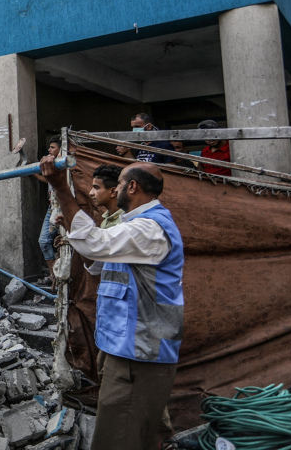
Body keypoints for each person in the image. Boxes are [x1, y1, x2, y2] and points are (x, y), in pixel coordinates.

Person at [41, 157, 184, 450]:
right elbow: (95, 261)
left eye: (117, 184)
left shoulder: (148, 228)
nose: (113, 190)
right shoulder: (133, 226)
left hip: (138, 355)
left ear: (131, 187)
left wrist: (60, 188)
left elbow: (95, 245)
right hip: (123, 348)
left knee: (120, 439)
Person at [33, 136, 62, 286]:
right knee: (44, 241)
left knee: (64, 243)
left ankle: (59, 277)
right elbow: (49, 180)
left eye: (52, 147)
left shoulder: (63, 165)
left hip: (62, 208)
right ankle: (53, 275)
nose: (49, 150)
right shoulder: (53, 165)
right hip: (53, 208)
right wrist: (34, 173)